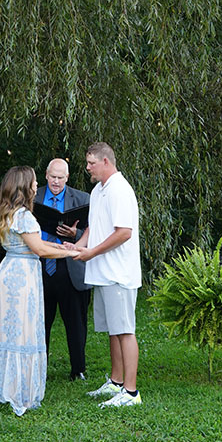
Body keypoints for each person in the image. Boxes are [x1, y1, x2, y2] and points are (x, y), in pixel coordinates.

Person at [0, 165, 80, 416]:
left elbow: (36, 243)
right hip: (22, 278)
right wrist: (71, 252)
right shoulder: (24, 215)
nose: (37, 186)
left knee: (9, 330)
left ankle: (6, 383)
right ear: (26, 186)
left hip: (8, 272)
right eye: (35, 182)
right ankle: (19, 390)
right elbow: (40, 250)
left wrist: (67, 247)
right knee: (22, 331)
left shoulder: (8, 212)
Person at [74, 141, 142, 408]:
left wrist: (92, 253)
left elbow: (124, 232)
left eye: (91, 162)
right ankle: (115, 382)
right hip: (103, 273)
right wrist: (77, 247)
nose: (87, 167)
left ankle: (131, 392)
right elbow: (94, 227)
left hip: (119, 274)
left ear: (105, 162)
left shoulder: (120, 191)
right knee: (113, 331)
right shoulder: (98, 190)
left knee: (125, 330)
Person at [34, 158, 91, 381]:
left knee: (76, 321)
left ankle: (78, 369)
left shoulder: (82, 199)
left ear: (67, 178)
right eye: (53, 177)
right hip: (40, 267)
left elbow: (93, 231)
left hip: (70, 267)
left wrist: (74, 235)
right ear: (46, 175)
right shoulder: (33, 196)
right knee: (39, 320)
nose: (56, 182)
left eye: (61, 177)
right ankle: (39, 366)